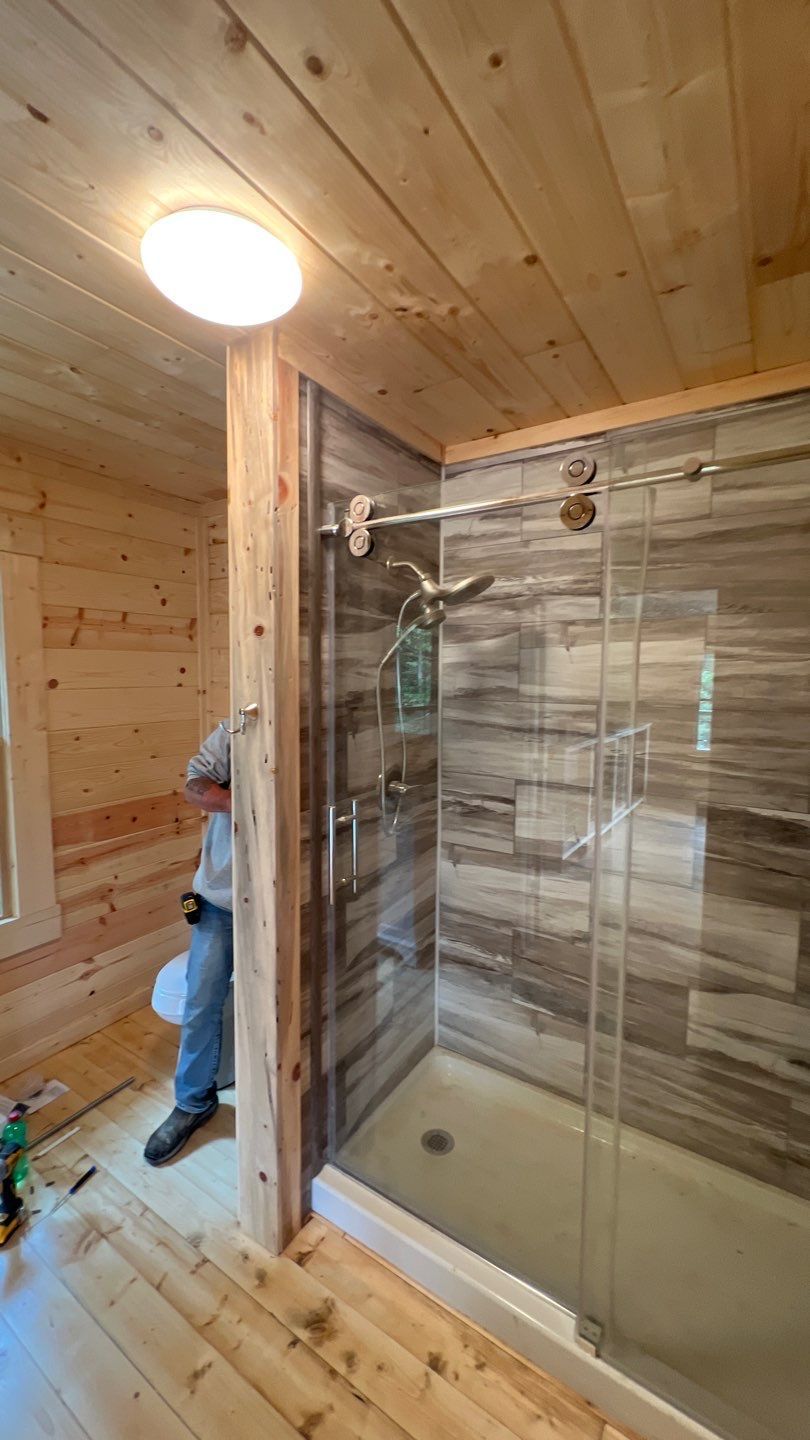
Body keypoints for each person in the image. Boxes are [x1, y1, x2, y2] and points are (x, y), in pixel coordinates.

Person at [144, 726, 233, 1166]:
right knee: (200, 1002)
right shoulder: (238, 726)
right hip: (220, 899)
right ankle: (193, 1103)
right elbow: (194, 786)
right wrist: (245, 801)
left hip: (284, 901)